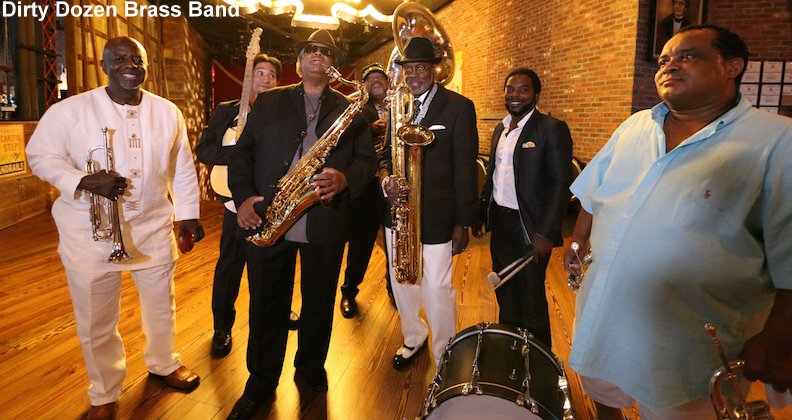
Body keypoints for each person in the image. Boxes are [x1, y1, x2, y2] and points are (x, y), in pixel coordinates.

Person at [564, 25, 792, 420]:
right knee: (601, 389)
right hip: (607, 314)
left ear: (731, 66)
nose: (669, 66)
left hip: (688, 341)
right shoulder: (635, 126)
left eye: (687, 56)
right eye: (664, 60)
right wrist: (577, 241)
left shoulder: (776, 141)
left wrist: (781, 335)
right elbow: (594, 190)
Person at [26, 36, 204, 420]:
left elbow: (182, 167)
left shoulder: (168, 111)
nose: (130, 66)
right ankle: (105, 391)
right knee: (96, 318)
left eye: (137, 59)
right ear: (104, 65)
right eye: (119, 59)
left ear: (146, 65)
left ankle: (164, 363)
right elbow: (39, 155)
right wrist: (82, 180)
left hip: (153, 225)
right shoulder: (68, 111)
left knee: (162, 306)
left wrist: (187, 214)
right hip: (88, 233)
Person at [226, 29, 376, 418]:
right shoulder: (270, 101)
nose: (317, 55)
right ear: (298, 61)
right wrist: (243, 198)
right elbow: (242, 155)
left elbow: (367, 161)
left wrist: (345, 179)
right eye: (310, 49)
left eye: (326, 51)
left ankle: (310, 367)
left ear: (334, 64)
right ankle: (260, 381)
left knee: (319, 303)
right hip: (269, 216)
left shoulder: (350, 108)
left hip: (325, 218)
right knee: (265, 304)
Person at [382, 37, 478, 370]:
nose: (414, 75)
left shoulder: (459, 106)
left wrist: (463, 222)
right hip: (398, 213)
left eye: (421, 67)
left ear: (434, 70)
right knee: (402, 282)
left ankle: (444, 355)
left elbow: (465, 168)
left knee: (437, 288)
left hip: (438, 215)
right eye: (409, 69)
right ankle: (413, 337)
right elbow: (385, 157)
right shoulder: (396, 106)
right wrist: (386, 182)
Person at [196, 53, 299, 357]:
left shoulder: (287, 112)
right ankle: (222, 326)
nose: (265, 79)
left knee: (276, 264)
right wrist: (241, 153)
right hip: (236, 203)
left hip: (274, 204)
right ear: (248, 78)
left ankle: (278, 311)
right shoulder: (227, 111)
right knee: (230, 266)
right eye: (260, 72)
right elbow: (205, 150)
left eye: (271, 75)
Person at [473, 68, 573, 349]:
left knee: (530, 297)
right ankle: (511, 348)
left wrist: (546, 232)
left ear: (536, 95)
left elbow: (561, 184)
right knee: (504, 289)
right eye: (510, 89)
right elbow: (493, 176)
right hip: (501, 223)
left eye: (523, 89)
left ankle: (539, 359)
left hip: (530, 228)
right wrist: (482, 212)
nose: (515, 95)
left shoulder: (551, 129)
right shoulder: (501, 129)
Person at [338, 62, 391, 318]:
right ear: (363, 85)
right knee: (360, 244)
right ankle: (349, 291)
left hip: (393, 185)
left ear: (388, 82)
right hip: (366, 187)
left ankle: (396, 289)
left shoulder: (400, 106)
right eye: (370, 79)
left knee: (395, 242)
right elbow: (340, 141)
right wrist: (370, 130)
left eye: (380, 77)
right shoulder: (354, 107)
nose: (376, 81)